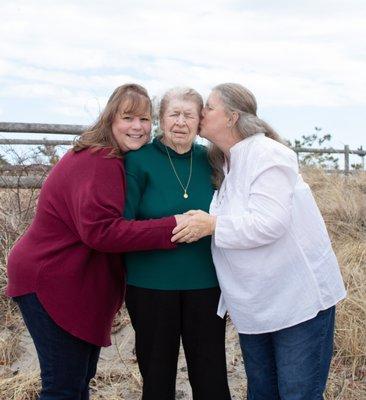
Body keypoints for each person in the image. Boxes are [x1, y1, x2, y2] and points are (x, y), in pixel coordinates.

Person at [6, 83, 183, 400]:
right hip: (51, 280)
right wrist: (174, 227)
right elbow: (101, 231)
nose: (138, 127)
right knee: (62, 387)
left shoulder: (111, 158)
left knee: (77, 380)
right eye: (128, 117)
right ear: (111, 118)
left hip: (67, 279)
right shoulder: (98, 161)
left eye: (144, 119)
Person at [172, 83, 346, 400]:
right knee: (262, 393)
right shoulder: (226, 162)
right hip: (256, 306)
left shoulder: (268, 155)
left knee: (297, 393)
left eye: (209, 107)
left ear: (232, 117)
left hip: (297, 302)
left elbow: (270, 223)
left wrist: (212, 225)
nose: (201, 113)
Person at [123, 87, 231, 400]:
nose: (181, 122)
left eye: (189, 115)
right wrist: (172, 227)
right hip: (150, 284)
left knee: (211, 376)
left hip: (206, 283)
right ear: (160, 119)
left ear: (200, 122)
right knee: (157, 377)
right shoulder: (138, 161)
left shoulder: (212, 160)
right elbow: (123, 224)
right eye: (174, 114)